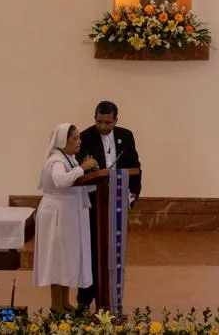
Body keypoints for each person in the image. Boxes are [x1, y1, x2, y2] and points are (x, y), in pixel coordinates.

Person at [76, 100, 142, 310]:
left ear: (116, 120)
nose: (103, 127)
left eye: (108, 122)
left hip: (118, 201)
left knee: (115, 251)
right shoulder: (85, 137)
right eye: (99, 121)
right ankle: (85, 300)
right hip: (93, 202)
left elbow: (134, 165)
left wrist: (133, 193)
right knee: (92, 251)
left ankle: (114, 300)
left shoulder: (126, 135)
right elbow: (80, 170)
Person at [34, 123, 98, 312]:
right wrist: (82, 168)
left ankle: (64, 302)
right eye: (75, 138)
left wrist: (96, 178)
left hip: (68, 214)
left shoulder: (68, 158)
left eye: (79, 137)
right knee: (58, 260)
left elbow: (75, 184)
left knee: (67, 259)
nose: (79, 141)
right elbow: (61, 181)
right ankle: (56, 305)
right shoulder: (56, 161)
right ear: (63, 140)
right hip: (57, 216)